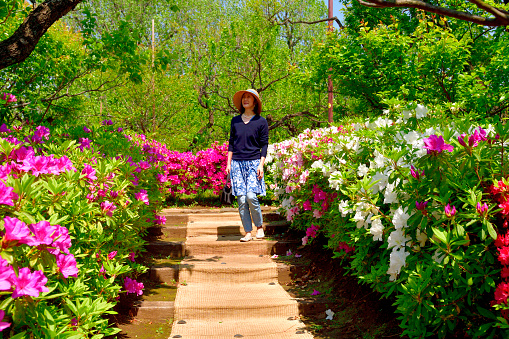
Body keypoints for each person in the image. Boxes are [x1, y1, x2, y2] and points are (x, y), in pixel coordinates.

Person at [226, 88, 269, 242]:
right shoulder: (235, 121)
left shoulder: (261, 121)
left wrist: (261, 165)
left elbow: (264, 145)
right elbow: (231, 143)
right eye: (243, 97)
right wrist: (228, 163)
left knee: (251, 196)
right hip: (237, 163)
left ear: (254, 102)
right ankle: (248, 232)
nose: (245, 100)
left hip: (253, 162)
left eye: (249, 97)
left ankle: (259, 227)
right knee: (242, 199)